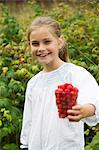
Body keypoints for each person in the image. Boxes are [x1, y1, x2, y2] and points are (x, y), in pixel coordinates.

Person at [20, 16, 99, 150]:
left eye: (47, 42)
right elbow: (29, 121)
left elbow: (94, 99)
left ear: (60, 42)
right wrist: (25, 145)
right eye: (35, 43)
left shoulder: (75, 74)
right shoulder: (33, 83)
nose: (41, 48)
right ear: (29, 46)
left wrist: (85, 110)